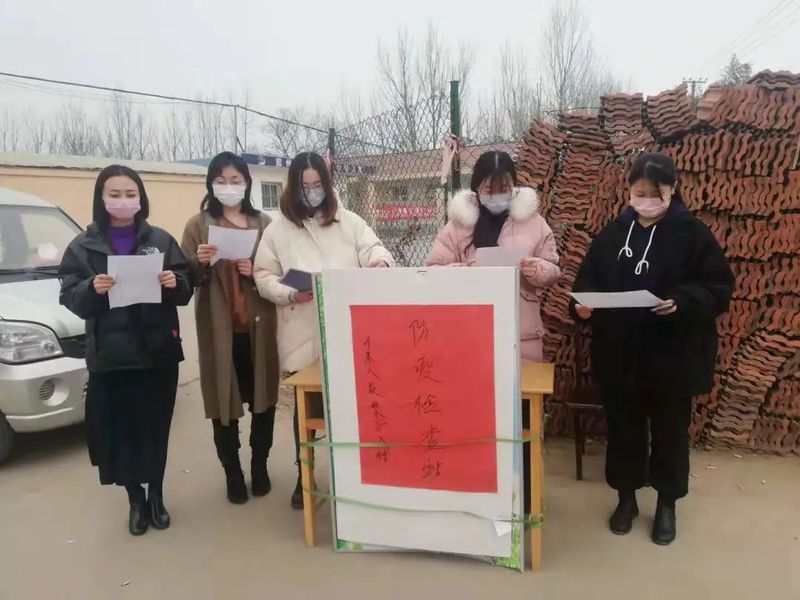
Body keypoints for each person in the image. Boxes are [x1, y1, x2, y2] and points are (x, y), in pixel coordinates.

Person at [571, 151, 733, 545]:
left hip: (672, 355)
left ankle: (666, 504)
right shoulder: (614, 233)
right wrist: (581, 307)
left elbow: (718, 286)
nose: (645, 200)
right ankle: (626, 498)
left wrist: (683, 302)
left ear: (671, 189)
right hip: (620, 354)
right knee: (623, 430)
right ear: (629, 190)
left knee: (670, 432)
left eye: (653, 193)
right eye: (638, 192)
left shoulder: (692, 233)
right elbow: (586, 281)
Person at [253, 151, 395, 509]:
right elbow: (263, 275)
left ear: (328, 186)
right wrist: (290, 293)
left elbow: (374, 248)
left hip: (347, 331)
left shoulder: (349, 222)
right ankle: (304, 476)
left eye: (318, 185)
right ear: (293, 188)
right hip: (301, 330)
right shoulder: (277, 230)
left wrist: (380, 262)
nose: (312, 191)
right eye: (305, 186)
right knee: (306, 411)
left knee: (351, 409)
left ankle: (354, 478)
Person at [59, 165, 193, 536]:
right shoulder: (83, 246)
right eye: (114, 194)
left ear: (141, 198)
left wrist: (175, 281)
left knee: (155, 428)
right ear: (101, 198)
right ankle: (135, 499)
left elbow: (185, 285)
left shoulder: (160, 240)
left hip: (157, 351)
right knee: (123, 433)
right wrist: (92, 288)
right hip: (112, 356)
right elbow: (69, 294)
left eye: (130, 194)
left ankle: (156, 494)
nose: (123, 201)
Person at [181, 152, 280, 505]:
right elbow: (183, 278)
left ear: (247, 183)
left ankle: (259, 465)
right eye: (221, 180)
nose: (229, 187)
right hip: (218, 329)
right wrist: (200, 263)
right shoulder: (198, 225)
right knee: (222, 401)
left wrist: (254, 270)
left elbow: (278, 271)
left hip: (259, 328)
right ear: (210, 183)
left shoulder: (264, 223)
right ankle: (232, 472)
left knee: (264, 399)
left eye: (236, 180)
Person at [425, 150, 561, 362]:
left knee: (523, 382)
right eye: (489, 190)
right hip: (469, 331)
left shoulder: (533, 222)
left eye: (504, 189)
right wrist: (465, 271)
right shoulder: (458, 225)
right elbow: (432, 271)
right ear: (477, 187)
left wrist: (539, 269)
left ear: (513, 186)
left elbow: (553, 267)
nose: (497, 196)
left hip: (521, 333)